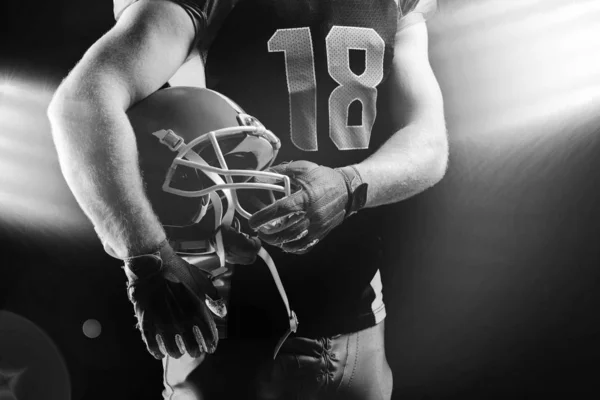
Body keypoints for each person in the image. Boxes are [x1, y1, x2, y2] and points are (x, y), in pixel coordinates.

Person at [47, 0, 448, 398]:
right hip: (228, 328)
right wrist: (148, 255)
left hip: (358, 319)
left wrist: (349, 186)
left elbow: (429, 140)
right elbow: (82, 103)